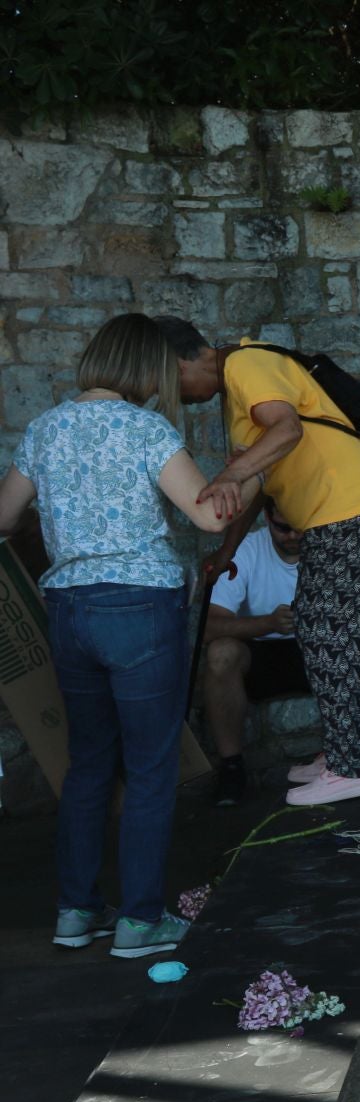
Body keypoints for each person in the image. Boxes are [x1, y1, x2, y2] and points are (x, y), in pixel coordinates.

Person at [0, 313, 255, 958]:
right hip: (139, 608)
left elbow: (3, 519)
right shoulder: (145, 429)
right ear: (147, 367)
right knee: (148, 768)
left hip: (70, 611)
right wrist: (246, 471)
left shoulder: (44, 429)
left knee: (88, 765)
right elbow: (205, 514)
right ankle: (141, 921)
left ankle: (76, 911)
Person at [155, 318, 360, 806]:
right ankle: (345, 751)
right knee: (329, 627)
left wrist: (232, 473)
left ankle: (353, 766)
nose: (178, 399)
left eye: (172, 384)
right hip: (343, 509)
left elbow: (286, 430)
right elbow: (261, 476)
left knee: (330, 629)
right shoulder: (239, 386)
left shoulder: (247, 363)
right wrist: (226, 552)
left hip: (354, 503)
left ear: (184, 360)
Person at [201, 498, 360, 806]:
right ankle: (231, 767)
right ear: (266, 517)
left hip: (324, 652)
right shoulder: (247, 549)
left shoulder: (329, 542)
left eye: (298, 528)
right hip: (263, 655)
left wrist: (321, 620)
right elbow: (208, 627)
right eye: (282, 528)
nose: (292, 536)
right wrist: (266, 624)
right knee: (220, 653)